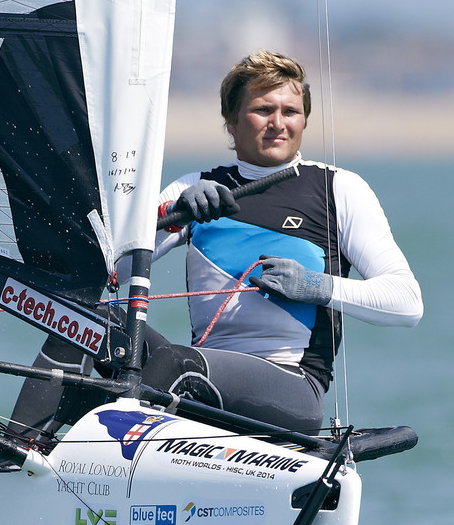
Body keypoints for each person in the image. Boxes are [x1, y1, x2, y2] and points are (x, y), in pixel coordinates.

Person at [127, 49, 422, 432]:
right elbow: (116, 273)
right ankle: (27, 450)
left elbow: (407, 302)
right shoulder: (193, 187)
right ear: (231, 121)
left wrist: (318, 286)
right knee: (96, 325)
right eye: (263, 110)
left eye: (290, 112)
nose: (278, 124)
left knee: (174, 362)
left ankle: (125, 446)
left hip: (293, 388)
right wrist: (168, 215)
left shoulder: (338, 189)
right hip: (201, 375)